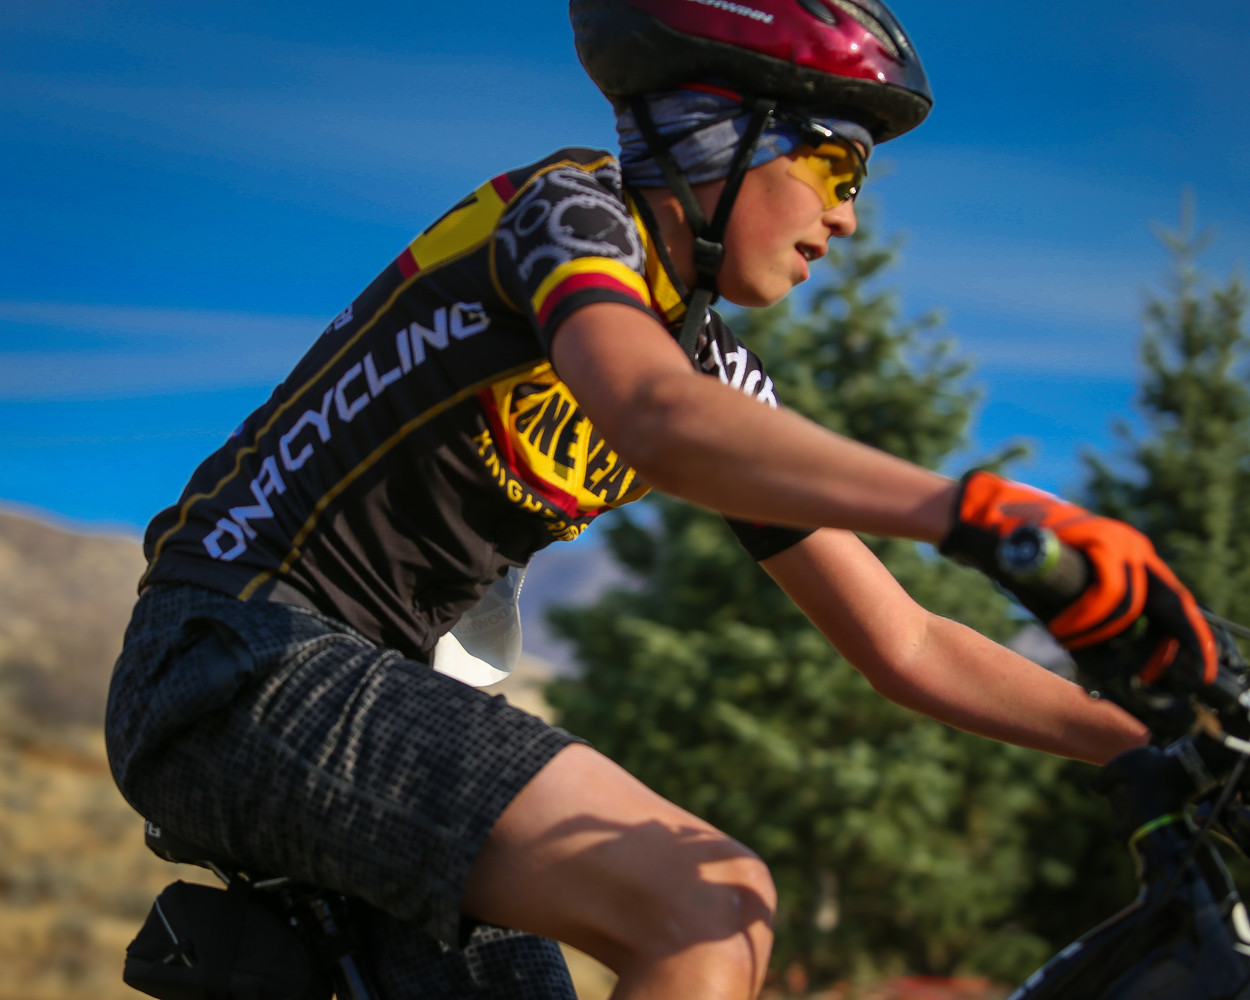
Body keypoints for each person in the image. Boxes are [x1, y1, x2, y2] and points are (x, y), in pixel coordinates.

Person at [105, 2, 1217, 998]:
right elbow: (655, 418)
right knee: (711, 902)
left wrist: (1159, 739)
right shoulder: (566, 215)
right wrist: (985, 515)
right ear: (715, 131)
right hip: (232, 653)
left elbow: (905, 642)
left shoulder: (711, 367)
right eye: (836, 166)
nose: (847, 218)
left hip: (378, 689)